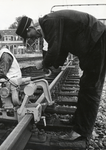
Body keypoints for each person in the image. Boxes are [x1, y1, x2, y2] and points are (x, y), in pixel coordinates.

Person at [16, 10, 106, 140]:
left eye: (28, 35)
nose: (31, 38)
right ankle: (78, 121)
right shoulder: (49, 26)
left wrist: (43, 63)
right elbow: (63, 49)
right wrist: (54, 66)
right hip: (92, 45)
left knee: (91, 88)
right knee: (85, 85)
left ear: (30, 28)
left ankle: (82, 131)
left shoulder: (49, 22)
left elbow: (55, 49)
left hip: (97, 41)